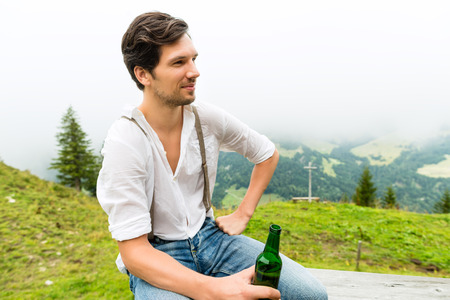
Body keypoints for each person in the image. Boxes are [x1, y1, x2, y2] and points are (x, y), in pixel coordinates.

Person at [97, 11, 328, 300]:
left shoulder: (206, 118)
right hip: (157, 255)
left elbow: (267, 154)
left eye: (193, 59)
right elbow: (134, 253)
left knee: (310, 295)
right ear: (143, 74)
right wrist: (215, 290)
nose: (194, 71)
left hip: (213, 239)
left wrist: (243, 213)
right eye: (178, 62)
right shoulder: (125, 140)